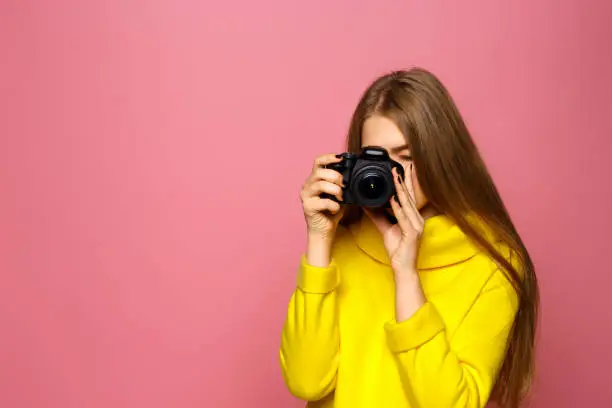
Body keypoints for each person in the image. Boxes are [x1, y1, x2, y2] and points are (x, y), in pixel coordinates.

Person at [279, 68, 539, 408]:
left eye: (408, 156)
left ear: (440, 156)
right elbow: (306, 382)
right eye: (378, 159)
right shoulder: (341, 245)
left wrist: (406, 273)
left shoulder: (492, 262)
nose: (392, 174)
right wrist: (318, 239)